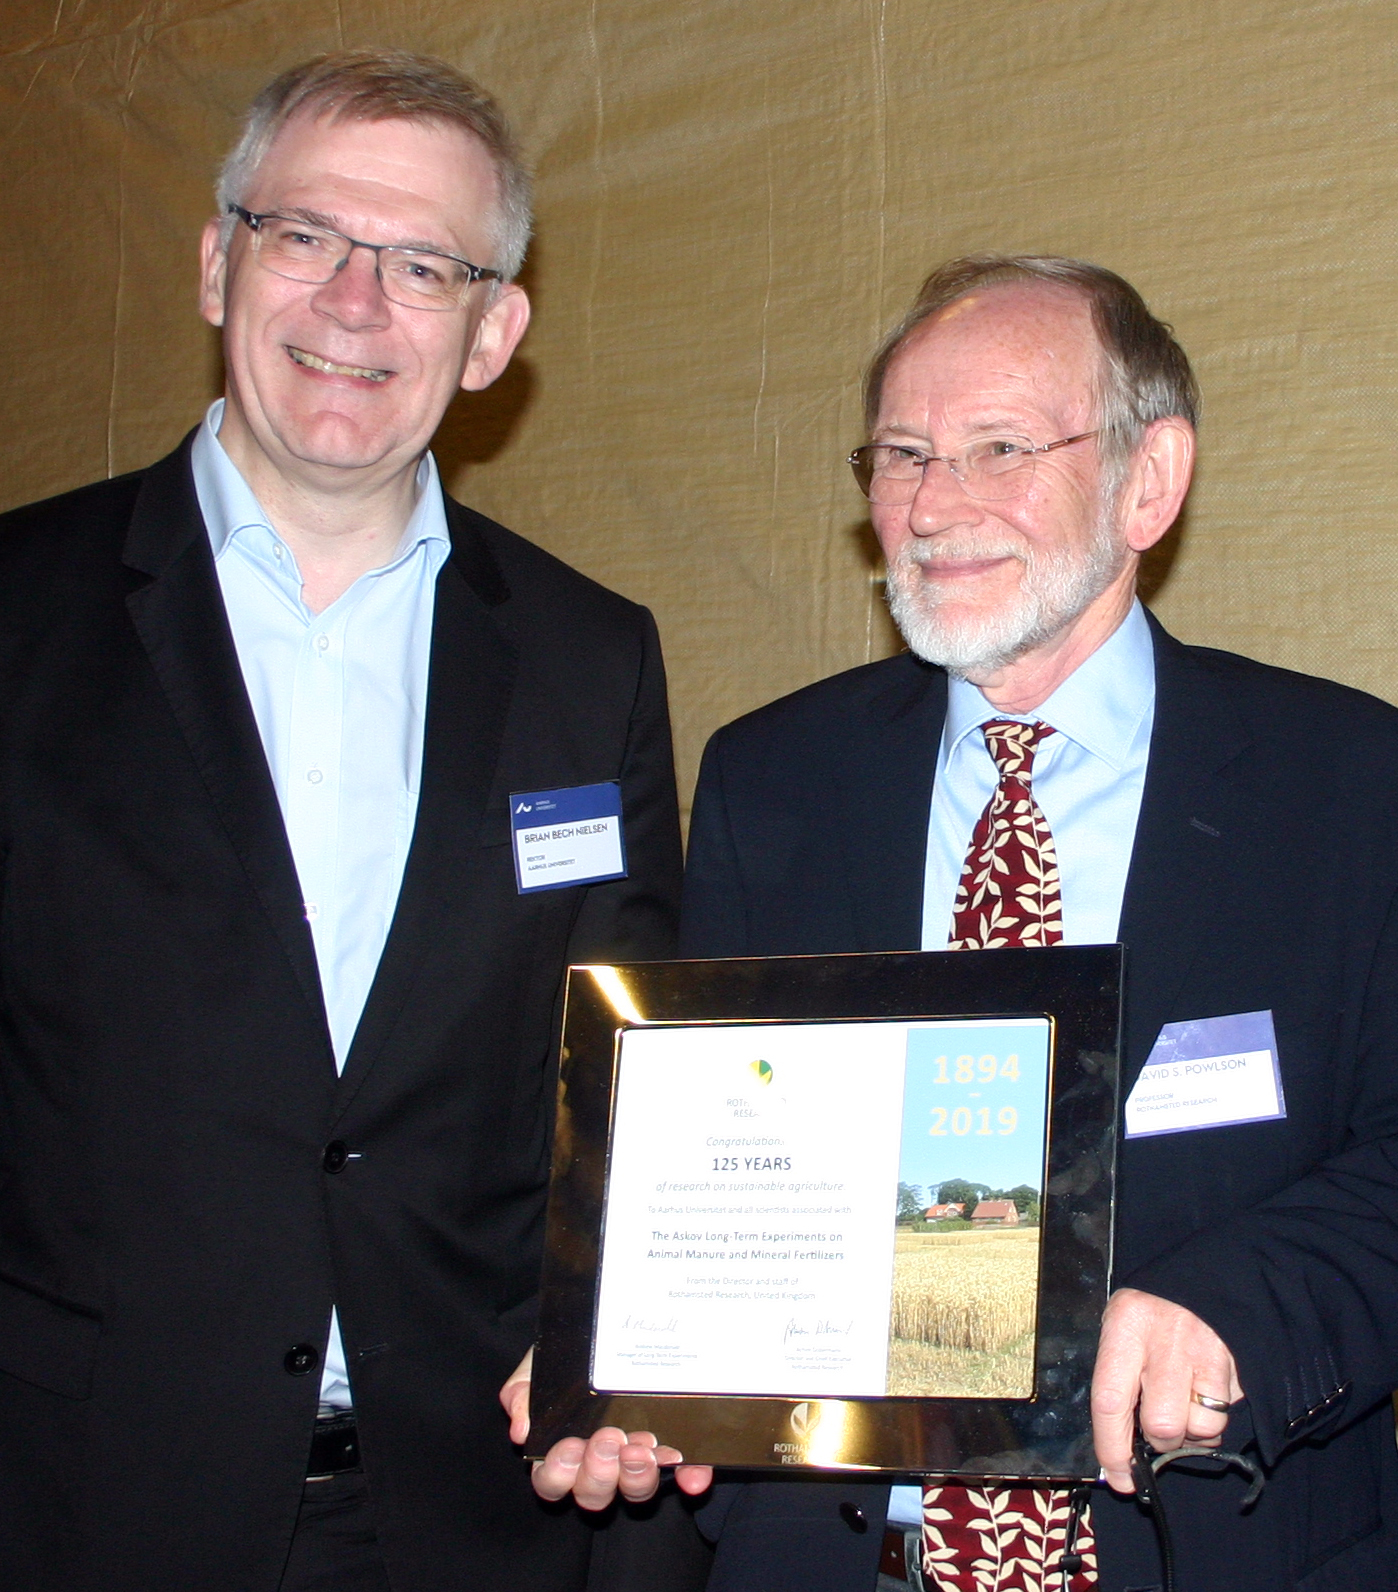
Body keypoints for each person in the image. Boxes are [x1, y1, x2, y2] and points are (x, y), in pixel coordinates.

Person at [519, 255, 1398, 1591]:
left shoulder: (1344, 782)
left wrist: (1235, 1305)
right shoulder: (773, 777)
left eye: (996, 447)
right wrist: (621, 1339)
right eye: (900, 454)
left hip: (1213, 1550)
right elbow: (714, 1142)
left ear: (1145, 480)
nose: (931, 505)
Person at [0, 50, 683, 1592]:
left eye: (422, 262)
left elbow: (631, 1074)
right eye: (304, 235)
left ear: (494, 329)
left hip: (472, 1515)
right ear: (216, 264)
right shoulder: (18, 614)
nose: (354, 302)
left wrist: (641, 1351)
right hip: (76, 1502)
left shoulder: (590, 657)